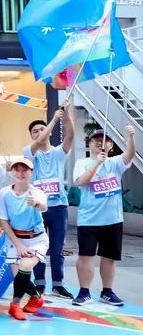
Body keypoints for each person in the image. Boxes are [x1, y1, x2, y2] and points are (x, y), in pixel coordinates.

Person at [73, 125, 135, 307]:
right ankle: (84, 292)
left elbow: (130, 155)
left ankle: (107, 291)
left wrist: (130, 137)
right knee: (86, 256)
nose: (101, 143)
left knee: (109, 257)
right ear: (89, 144)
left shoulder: (115, 163)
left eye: (105, 140)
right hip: (88, 220)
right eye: (96, 140)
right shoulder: (82, 163)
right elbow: (81, 181)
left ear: (111, 145)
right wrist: (96, 164)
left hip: (113, 220)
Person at [24, 103, 75, 298]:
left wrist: (66, 115)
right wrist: (54, 119)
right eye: (35, 131)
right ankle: (39, 283)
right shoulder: (29, 153)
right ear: (31, 136)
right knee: (38, 246)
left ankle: (58, 284)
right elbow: (38, 142)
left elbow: (70, 137)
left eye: (42, 129)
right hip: (36, 208)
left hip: (58, 206)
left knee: (57, 248)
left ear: (50, 132)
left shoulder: (58, 153)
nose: (39, 133)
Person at [0, 157, 49, 320]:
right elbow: (3, 220)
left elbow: (43, 206)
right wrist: (18, 245)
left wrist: (36, 204)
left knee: (25, 266)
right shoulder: (4, 193)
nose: (20, 173)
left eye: (24, 169)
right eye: (16, 169)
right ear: (11, 172)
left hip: (36, 239)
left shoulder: (37, 192)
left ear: (31, 172)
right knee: (20, 278)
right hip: (15, 239)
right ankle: (36, 298)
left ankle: (14, 305)